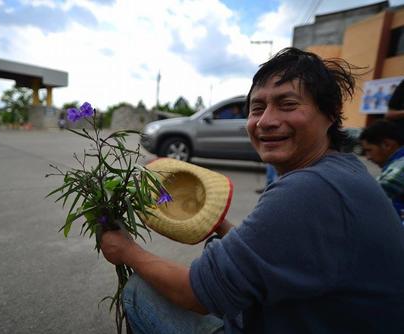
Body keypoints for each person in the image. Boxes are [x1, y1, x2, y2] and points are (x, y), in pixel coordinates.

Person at [100, 48, 404, 333]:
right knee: (216, 255)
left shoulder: (309, 190)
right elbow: (280, 251)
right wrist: (219, 225)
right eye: (257, 108)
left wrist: (127, 251)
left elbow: (197, 294)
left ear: (331, 113)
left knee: (141, 293)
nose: (266, 121)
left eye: (288, 105)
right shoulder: (344, 169)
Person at [360, 120, 404, 223]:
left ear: (387, 145)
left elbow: (372, 195)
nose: (367, 157)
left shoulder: (401, 166)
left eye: (369, 150)